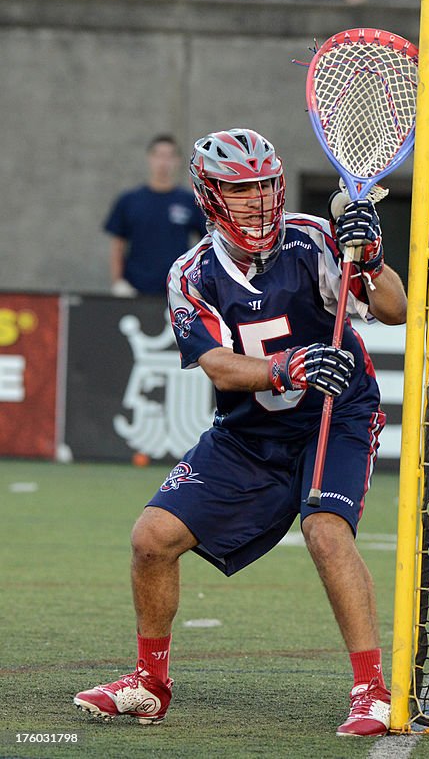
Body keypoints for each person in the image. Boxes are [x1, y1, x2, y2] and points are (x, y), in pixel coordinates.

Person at [74, 128, 406, 736]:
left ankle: (371, 691)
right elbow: (219, 367)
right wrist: (285, 367)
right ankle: (150, 683)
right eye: (240, 189)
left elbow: (395, 308)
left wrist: (373, 260)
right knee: (152, 537)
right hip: (250, 430)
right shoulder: (192, 273)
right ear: (210, 197)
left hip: (336, 413)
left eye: (264, 188)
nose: (256, 202)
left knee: (325, 531)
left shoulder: (314, 238)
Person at [104, 134, 206, 298]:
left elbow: (206, 244)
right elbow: (117, 245)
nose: (163, 162)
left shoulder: (190, 201)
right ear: (150, 158)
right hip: (135, 289)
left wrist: (199, 282)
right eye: (158, 155)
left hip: (178, 290)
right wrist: (118, 282)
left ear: (178, 160)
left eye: (169, 156)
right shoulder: (129, 200)